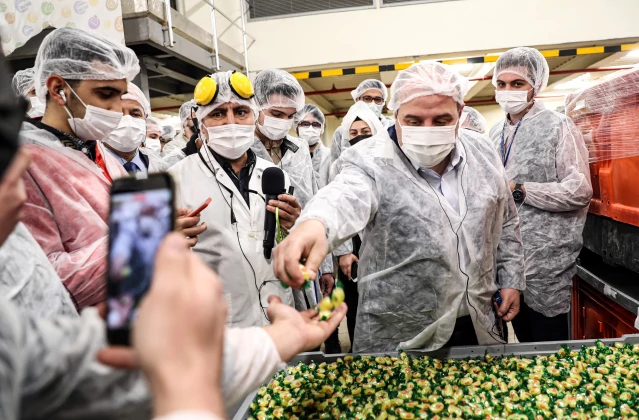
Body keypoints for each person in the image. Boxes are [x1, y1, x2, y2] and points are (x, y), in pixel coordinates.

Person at [274, 61, 527, 353]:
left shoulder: (482, 151)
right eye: (414, 121)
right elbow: (345, 196)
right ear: (395, 115)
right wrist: (315, 225)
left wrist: (510, 280)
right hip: (402, 326)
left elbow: (505, 220)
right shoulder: (369, 159)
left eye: (442, 120)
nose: (428, 131)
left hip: (478, 315)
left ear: (460, 113)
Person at [19, 27, 203, 309]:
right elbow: (43, 284)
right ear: (58, 90)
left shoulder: (94, 150)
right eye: (106, 94)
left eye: (121, 95)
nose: (118, 109)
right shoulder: (23, 165)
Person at [169, 71, 305, 328]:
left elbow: (286, 250)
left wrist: (292, 227)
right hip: (215, 322)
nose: (231, 122)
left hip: (275, 312)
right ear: (201, 122)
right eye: (218, 114)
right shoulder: (175, 180)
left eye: (241, 112)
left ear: (254, 117)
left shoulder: (275, 176)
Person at [489, 47, 592, 342]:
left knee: (549, 347)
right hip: (507, 264)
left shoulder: (558, 126)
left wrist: (520, 191)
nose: (508, 91)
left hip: (548, 263)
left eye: (517, 84)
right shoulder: (495, 133)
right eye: (502, 84)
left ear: (535, 86)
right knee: (520, 344)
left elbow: (579, 189)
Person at [251, 69, 315, 210]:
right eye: (277, 114)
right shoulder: (242, 148)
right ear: (255, 107)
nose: (285, 121)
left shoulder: (300, 148)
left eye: (291, 116)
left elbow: (312, 196)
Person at [330, 79, 395, 163]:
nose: (372, 103)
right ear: (357, 100)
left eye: (378, 99)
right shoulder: (341, 132)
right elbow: (335, 165)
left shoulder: (391, 127)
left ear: (383, 102)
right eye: (367, 98)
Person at [294, 104, 330, 189]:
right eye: (305, 124)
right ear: (296, 128)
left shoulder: (330, 156)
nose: (310, 128)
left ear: (321, 129)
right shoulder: (288, 157)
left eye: (316, 124)